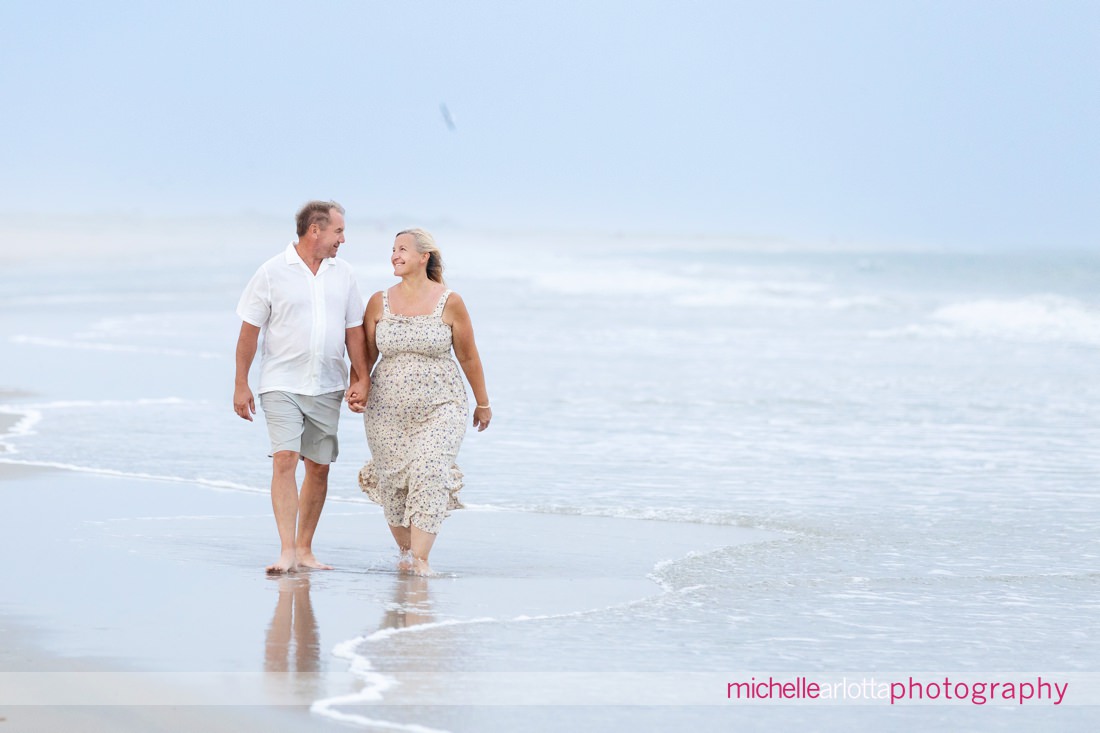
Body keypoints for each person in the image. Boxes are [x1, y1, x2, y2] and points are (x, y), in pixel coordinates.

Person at [234, 200, 369, 573]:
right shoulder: (271, 272)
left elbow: (354, 331)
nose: (343, 239)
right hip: (280, 382)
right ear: (315, 230)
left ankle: (305, 549)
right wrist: (241, 383)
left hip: (327, 384)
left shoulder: (344, 274)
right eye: (338, 231)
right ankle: (286, 551)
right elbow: (249, 332)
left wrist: (362, 377)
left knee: (319, 467)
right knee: (285, 458)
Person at [350, 228, 491, 576]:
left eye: (402, 249)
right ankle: (407, 555)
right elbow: (365, 355)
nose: (395, 255)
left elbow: (468, 356)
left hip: (441, 406)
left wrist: (483, 402)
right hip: (385, 410)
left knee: (430, 472)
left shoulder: (450, 301)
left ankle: (422, 561)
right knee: (394, 483)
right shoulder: (379, 301)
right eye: (393, 249)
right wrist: (358, 385)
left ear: (423, 257)